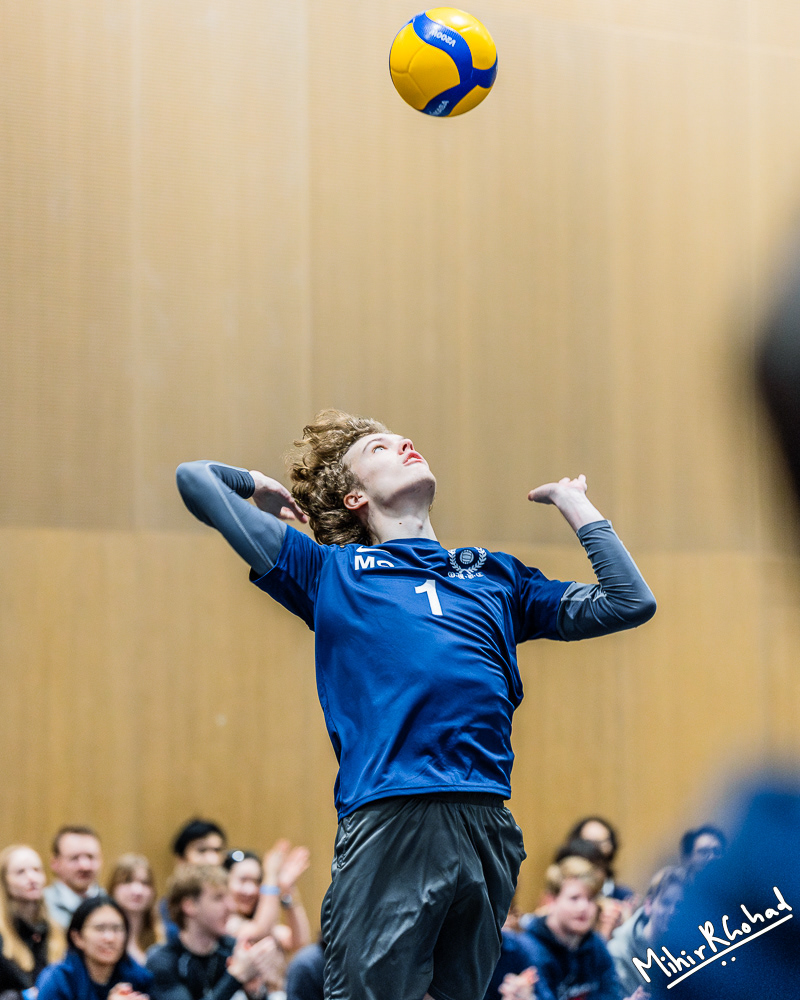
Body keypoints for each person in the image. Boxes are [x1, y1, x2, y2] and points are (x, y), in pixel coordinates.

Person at [176, 410, 656, 1000]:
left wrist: (576, 504)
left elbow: (630, 602)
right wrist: (254, 484)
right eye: (378, 448)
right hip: (391, 816)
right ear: (353, 496)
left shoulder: (497, 576)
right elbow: (194, 479)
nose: (404, 443)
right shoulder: (329, 571)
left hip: (486, 819)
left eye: (403, 439)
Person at [146, 865, 283, 1000]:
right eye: (218, 898)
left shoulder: (234, 949)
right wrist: (237, 977)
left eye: (228, 898)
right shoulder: (163, 961)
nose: (231, 906)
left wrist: (254, 993)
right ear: (190, 906)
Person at [521, 857, 625, 1000]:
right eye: (574, 898)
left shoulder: (596, 946)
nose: (583, 907)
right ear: (551, 901)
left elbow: (611, 994)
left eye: (590, 899)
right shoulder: (529, 950)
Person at [36, 895, 152, 1000]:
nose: (109, 938)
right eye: (100, 928)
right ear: (77, 937)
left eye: (117, 928)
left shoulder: (139, 978)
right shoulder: (57, 980)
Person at [607, 867, 684, 998]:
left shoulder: (693, 944)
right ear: (648, 905)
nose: (672, 912)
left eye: (679, 905)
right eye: (665, 903)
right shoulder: (618, 952)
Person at [0, 845, 65, 995]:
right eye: (20, 872)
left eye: (37, 870)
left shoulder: (56, 931)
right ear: (5, 882)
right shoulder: (2, 936)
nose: (32, 878)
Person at [223, 842, 311, 952]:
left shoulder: (259, 922)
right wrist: (271, 876)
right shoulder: (222, 922)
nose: (250, 890)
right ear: (224, 882)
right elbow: (260, 932)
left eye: (256, 882)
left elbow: (299, 942)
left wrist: (287, 890)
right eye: (243, 880)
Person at [159, 821, 227, 943]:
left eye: (217, 850)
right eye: (202, 850)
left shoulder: (233, 902)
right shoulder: (165, 910)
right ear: (181, 860)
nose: (212, 860)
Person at [107, 855, 166, 965]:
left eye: (145, 883)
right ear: (113, 888)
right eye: (127, 881)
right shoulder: (104, 937)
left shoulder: (161, 938)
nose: (137, 891)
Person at [44, 828, 103, 929]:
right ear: (55, 863)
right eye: (74, 858)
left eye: (90, 857)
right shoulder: (41, 907)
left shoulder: (112, 905)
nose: (84, 866)